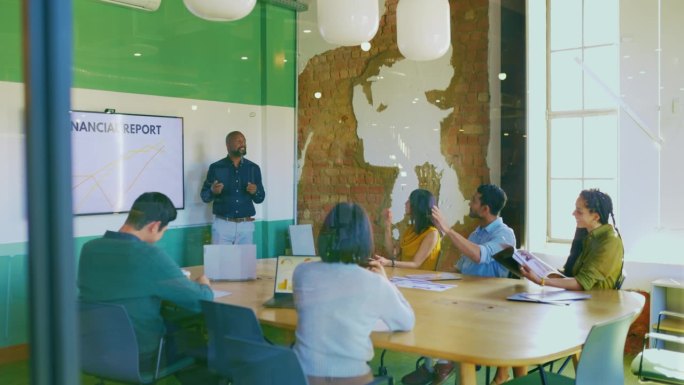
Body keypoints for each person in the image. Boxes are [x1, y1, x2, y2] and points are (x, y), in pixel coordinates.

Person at [78, 192, 214, 381]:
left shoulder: (89, 248)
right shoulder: (149, 255)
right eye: (163, 231)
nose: (161, 236)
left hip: (95, 348)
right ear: (154, 226)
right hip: (143, 355)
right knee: (202, 344)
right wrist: (204, 285)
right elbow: (202, 302)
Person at [401, 184, 523, 385]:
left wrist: (447, 229)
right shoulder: (478, 232)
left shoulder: (504, 234)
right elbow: (461, 267)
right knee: (429, 306)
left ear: (485, 209)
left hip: (488, 302)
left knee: (442, 316)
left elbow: (478, 255)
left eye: (474, 200)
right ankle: (433, 365)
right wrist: (436, 280)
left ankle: (444, 362)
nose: (469, 202)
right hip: (466, 294)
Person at [293, 202, 415, 385]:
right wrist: (385, 281)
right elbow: (407, 321)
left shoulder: (302, 272)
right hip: (352, 378)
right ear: (365, 238)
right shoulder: (374, 283)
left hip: (301, 376)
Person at [519, 189, 623, 290]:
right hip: (581, 300)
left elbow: (582, 283)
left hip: (599, 304)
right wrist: (538, 270)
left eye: (579, 211)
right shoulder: (586, 233)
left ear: (595, 217)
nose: (573, 213)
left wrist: (541, 281)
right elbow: (571, 274)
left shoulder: (610, 241)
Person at [200, 131, 265, 245]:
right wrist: (212, 191)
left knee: (245, 263)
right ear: (228, 145)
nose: (242, 144)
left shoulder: (253, 168)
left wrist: (255, 191)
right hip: (223, 226)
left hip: (246, 226)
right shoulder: (216, 168)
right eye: (238, 141)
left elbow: (260, 198)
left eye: (244, 141)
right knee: (221, 262)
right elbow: (204, 197)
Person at [374, 188, 441, 270]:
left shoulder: (432, 233)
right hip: (404, 277)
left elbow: (416, 264)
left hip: (422, 280)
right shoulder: (410, 230)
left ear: (417, 206)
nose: (405, 203)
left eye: (409, 201)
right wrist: (388, 226)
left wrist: (387, 262)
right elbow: (392, 253)